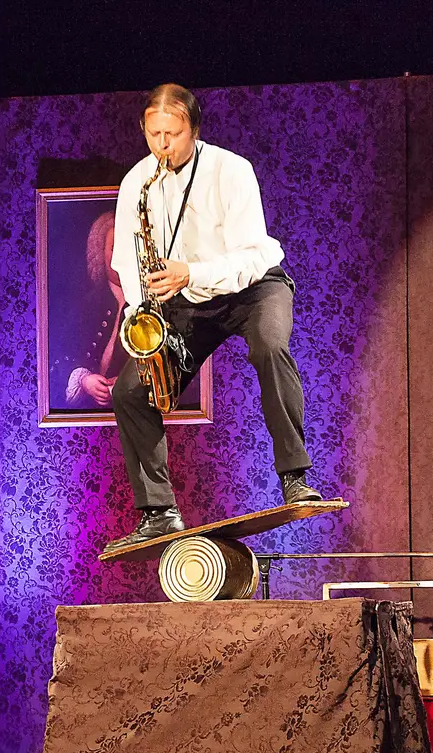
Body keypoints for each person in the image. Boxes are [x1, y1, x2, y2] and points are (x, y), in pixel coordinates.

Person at [104, 84, 320, 554]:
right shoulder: (136, 182)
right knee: (129, 392)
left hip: (253, 287)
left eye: (173, 134)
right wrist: (144, 314)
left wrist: (191, 272)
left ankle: (295, 477)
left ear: (194, 130)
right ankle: (159, 511)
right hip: (184, 301)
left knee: (269, 345)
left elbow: (247, 256)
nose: (162, 145)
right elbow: (128, 260)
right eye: (153, 133)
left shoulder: (231, 170)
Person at [50, 211, 129, 408]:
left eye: (129, 249)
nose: (121, 258)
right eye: (114, 248)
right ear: (102, 252)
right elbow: (58, 354)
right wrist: (84, 380)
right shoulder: (86, 305)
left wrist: (129, 383)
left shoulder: (152, 306)